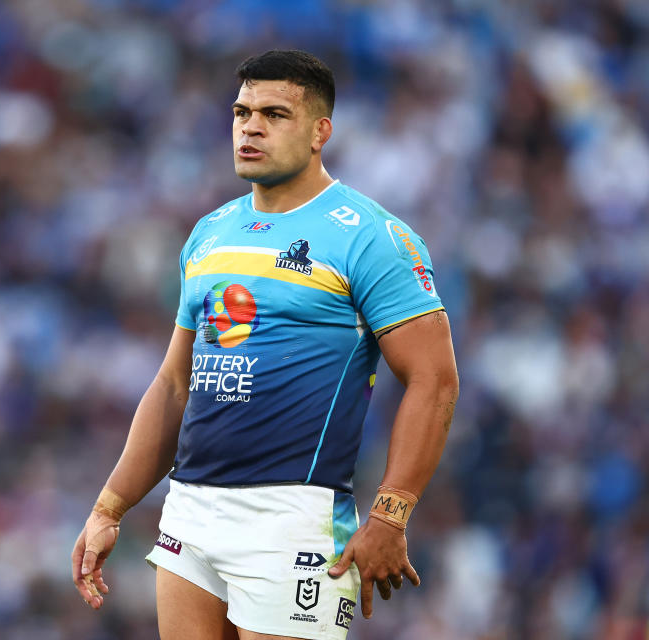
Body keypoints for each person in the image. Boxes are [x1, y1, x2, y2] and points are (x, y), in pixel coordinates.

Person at [71, 49, 459, 640]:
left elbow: (435, 380)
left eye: (275, 113)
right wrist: (109, 508)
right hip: (191, 510)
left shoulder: (371, 236)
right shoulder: (210, 232)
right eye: (242, 111)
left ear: (319, 132)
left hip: (293, 519)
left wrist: (391, 512)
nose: (251, 126)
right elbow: (176, 384)